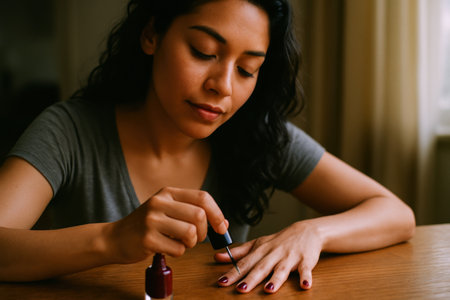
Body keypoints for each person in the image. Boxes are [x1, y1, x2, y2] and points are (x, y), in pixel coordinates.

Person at [0, 0, 415, 294]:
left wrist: (311, 232)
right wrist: (112, 239)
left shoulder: (260, 135)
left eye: (248, 69)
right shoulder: (68, 131)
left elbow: (397, 214)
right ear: (151, 34)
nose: (223, 86)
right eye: (204, 52)